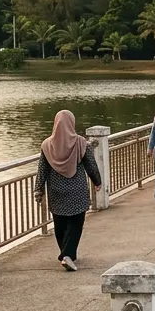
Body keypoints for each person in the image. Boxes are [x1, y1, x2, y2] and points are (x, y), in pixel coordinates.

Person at [33, 110, 101, 271]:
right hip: (77, 190)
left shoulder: (47, 145)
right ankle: (67, 255)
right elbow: (90, 165)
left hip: (56, 191)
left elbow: (42, 169)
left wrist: (38, 189)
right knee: (76, 224)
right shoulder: (80, 142)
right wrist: (97, 181)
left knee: (60, 224)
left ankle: (65, 254)